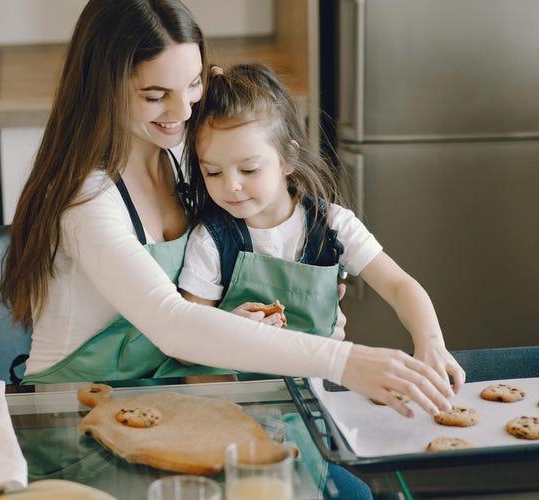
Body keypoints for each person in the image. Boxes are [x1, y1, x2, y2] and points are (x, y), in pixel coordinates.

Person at [0, 0, 458, 417]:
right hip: (74, 414)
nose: (183, 111)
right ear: (103, 88)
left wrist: (270, 312)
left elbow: (207, 300)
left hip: (163, 400)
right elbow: (172, 323)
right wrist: (345, 361)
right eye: (156, 95)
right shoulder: (87, 199)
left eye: (193, 84)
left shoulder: (181, 158)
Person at [178, 63, 465, 393]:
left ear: (288, 158)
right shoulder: (210, 241)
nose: (231, 185)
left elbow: (399, 286)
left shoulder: (332, 226)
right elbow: (185, 344)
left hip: (321, 395)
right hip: (241, 402)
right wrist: (228, 329)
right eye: (213, 173)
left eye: (249, 169)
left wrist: (431, 343)